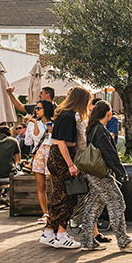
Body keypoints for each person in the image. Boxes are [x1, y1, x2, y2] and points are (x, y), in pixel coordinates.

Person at [75, 100, 132, 252]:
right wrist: (121, 172)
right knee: (117, 203)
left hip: (93, 173)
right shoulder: (101, 130)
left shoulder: (93, 128)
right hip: (101, 174)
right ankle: (124, 242)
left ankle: (87, 241)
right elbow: (110, 154)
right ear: (109, 114)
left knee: (93, 206)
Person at [42, 86, 91, 250]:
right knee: (68, 197)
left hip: (56, 157)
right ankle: (61, 235)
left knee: (59, 196)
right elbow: (62, 143)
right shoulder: (68, 117)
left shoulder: (64, 114)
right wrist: (70, 164)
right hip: (62, 157)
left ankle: (49, 232)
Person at [29, 110, 53, 224]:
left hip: (51, 151)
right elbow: (35, 138)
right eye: (36, 109)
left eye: (39, 108)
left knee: (55, 185)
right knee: (41, 185)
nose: (36, 111)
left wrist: (51, 130)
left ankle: (56, 212)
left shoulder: (55, 121)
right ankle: (45, 213)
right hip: (39, 153)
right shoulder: (35, 123)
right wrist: (34, 123)